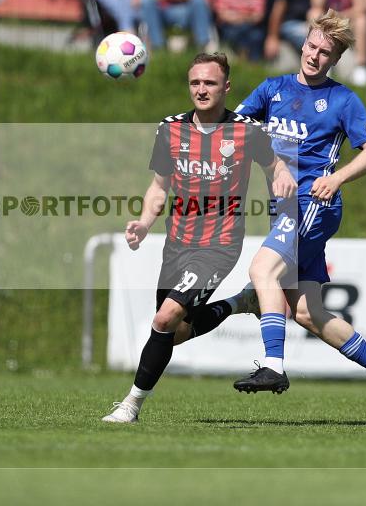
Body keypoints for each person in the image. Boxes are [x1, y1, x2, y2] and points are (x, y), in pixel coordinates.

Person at [228, 9, 366, 419]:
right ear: (303, 43)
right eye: (311, 46)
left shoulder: (343, 100)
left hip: (314, 204)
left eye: (325, 52)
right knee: (308, 311)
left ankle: (273, 366)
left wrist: (338, 177)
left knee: (262, 270)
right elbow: (235, 128)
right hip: (285, 210)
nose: (314, 56)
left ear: (335, 59)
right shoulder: (272, 89)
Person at [101, 53, 296, 424]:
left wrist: (283, 176)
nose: (201, 90)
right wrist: (144, 223)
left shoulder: (246, 130)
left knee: (164, 318)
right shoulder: (170, 129)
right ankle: (239, 304)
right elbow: (159, 187)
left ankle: (130, 405)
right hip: (176, 243)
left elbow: (275, 164)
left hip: (218, 244)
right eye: (195, 83)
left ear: (226, 87)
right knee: (174, 332)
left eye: (209, 83)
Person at [263, 0, 313, 64]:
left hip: (305, 27)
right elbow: (277, 12)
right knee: (311, 43)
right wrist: (272, 37)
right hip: (288, 25)